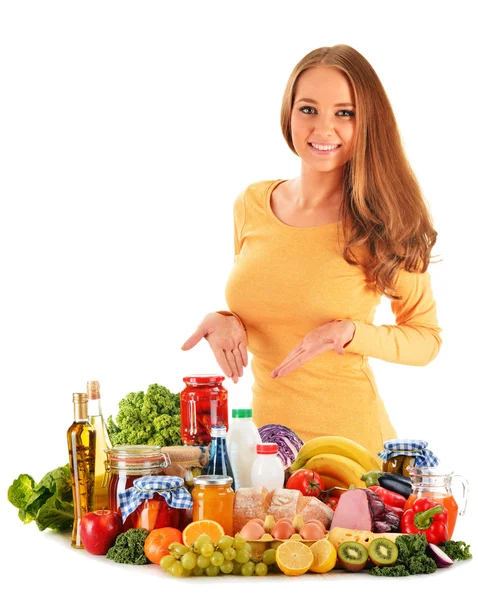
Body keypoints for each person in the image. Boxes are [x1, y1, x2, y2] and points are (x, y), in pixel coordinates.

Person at [181, 44, 442, 457]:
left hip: (352, 455)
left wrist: (351, 333)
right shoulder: (251, 204)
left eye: (344, 113)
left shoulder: (382, 220)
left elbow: (426, 338)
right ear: (289, 113)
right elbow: (275, 300)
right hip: (265, 451)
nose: (322, 129)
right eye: (308, 109)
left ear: (367, 122)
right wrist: (226, 319)